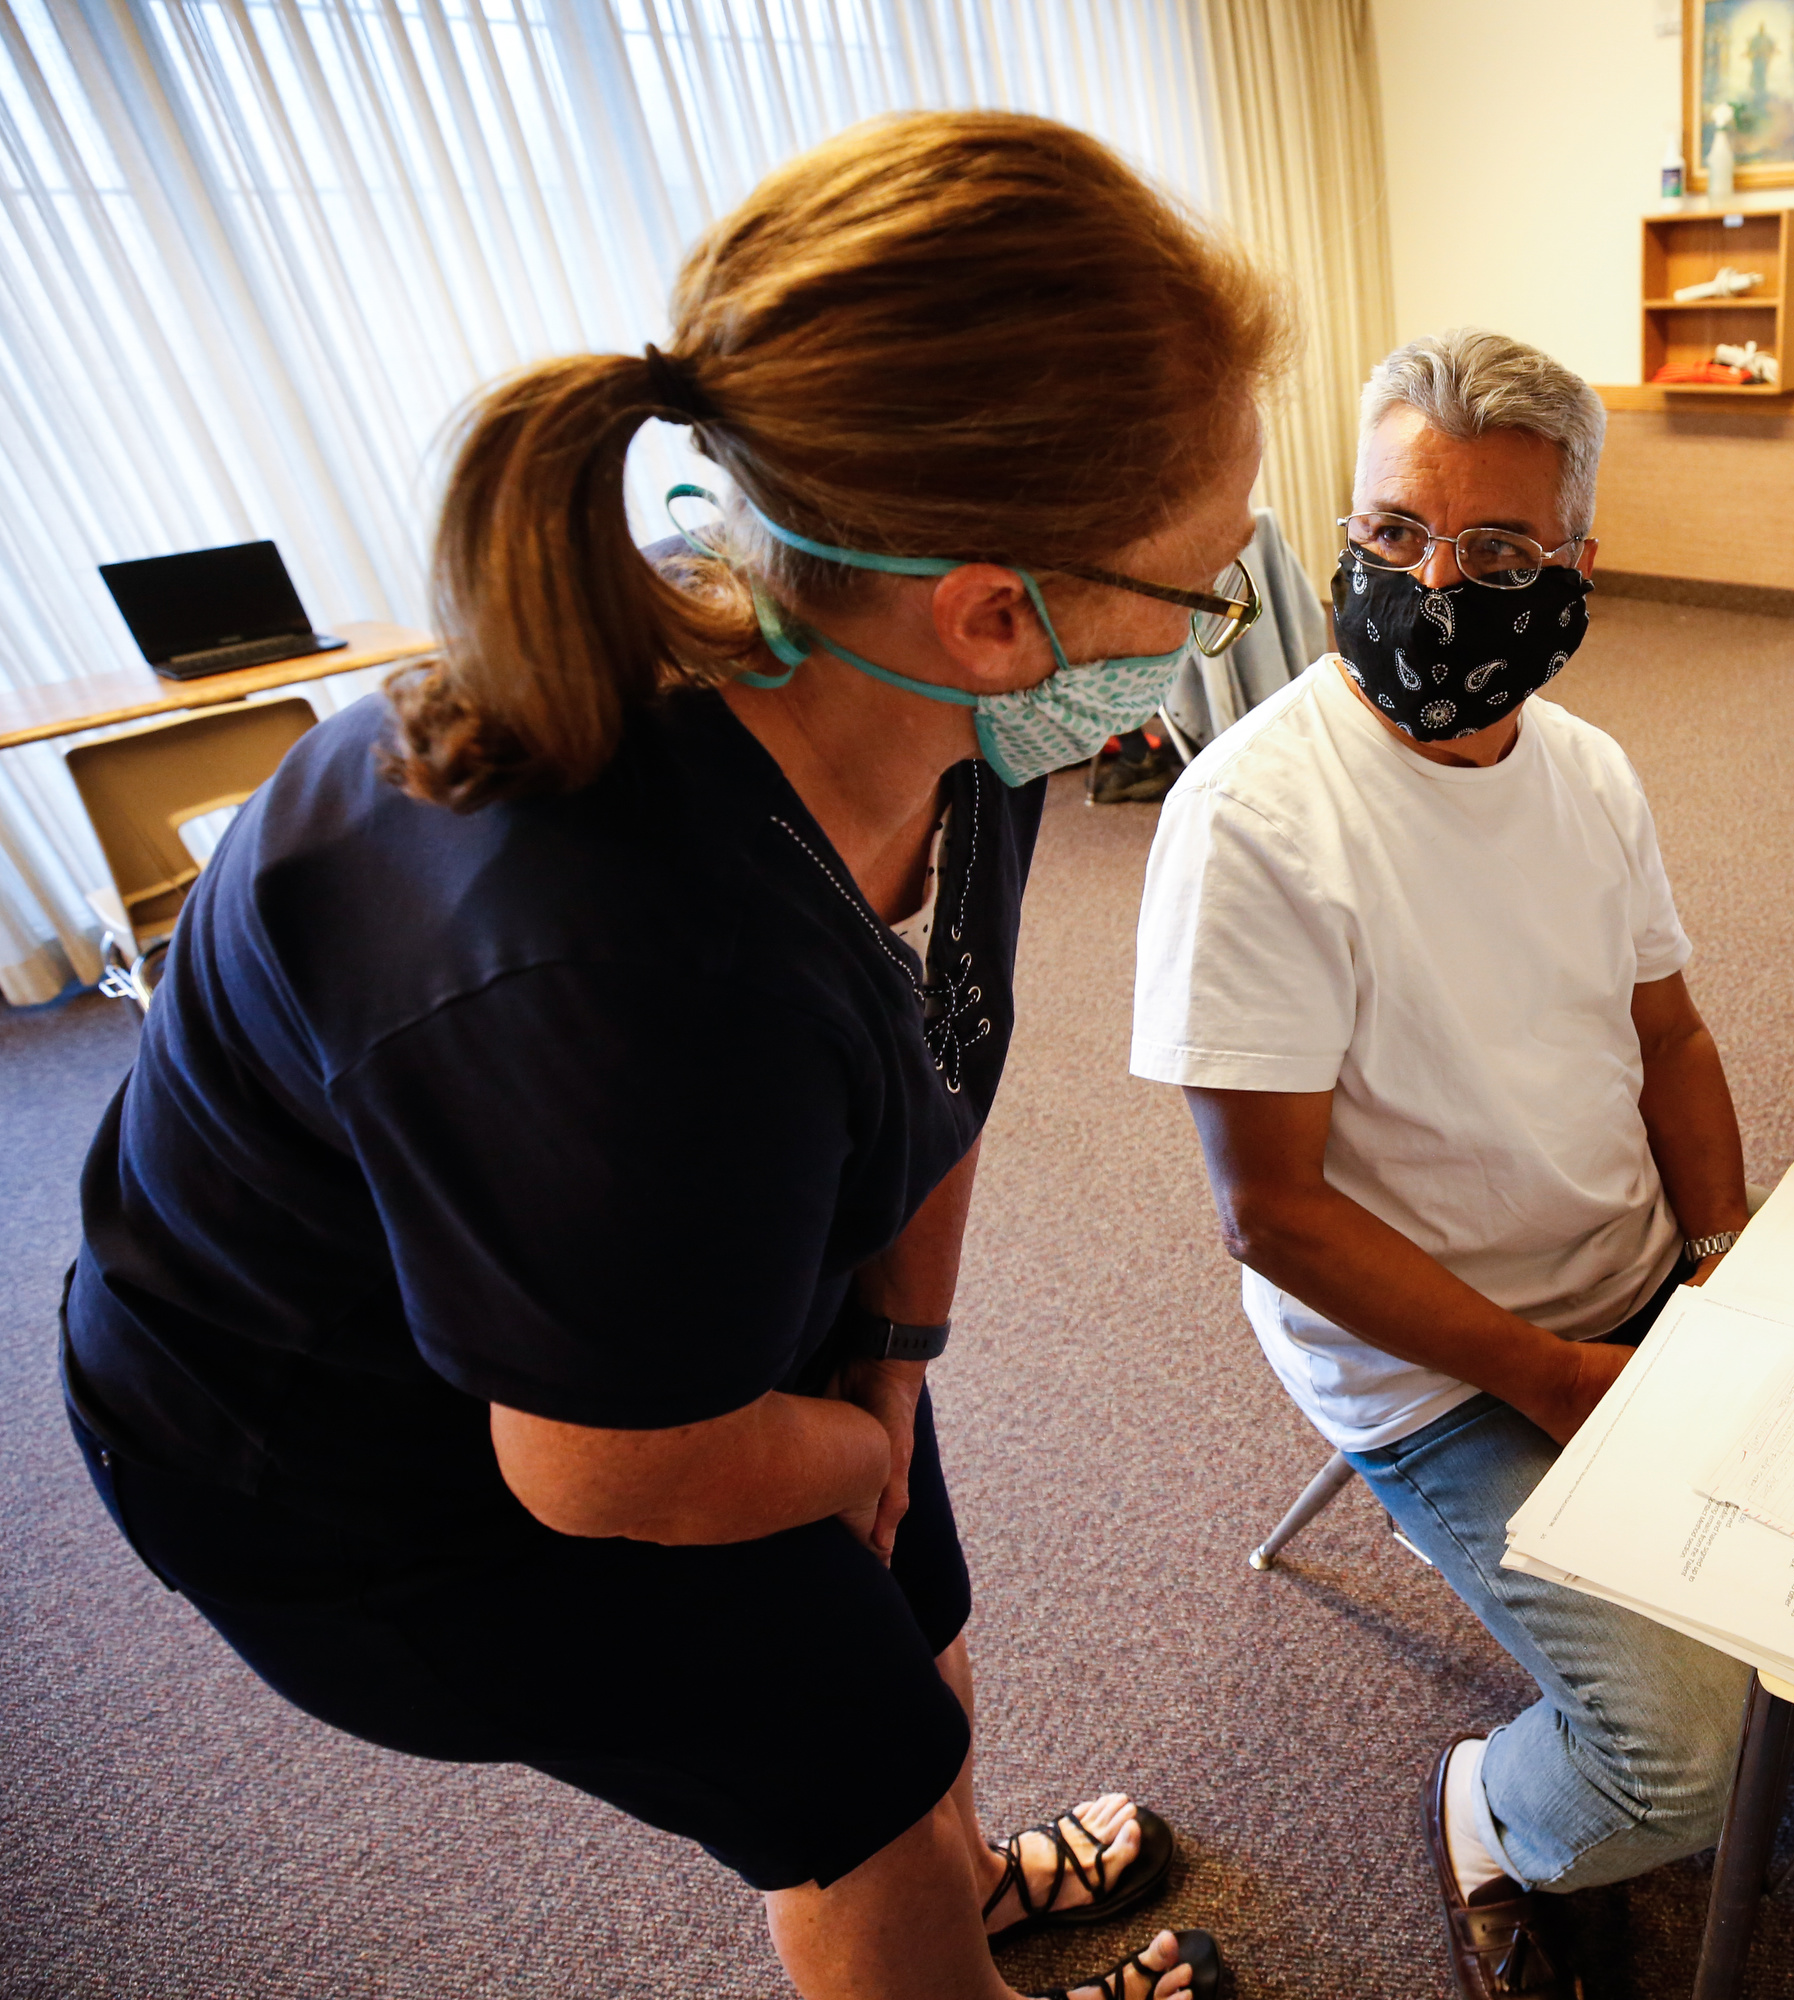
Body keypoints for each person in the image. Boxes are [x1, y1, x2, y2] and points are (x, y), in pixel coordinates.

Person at [60, 112, 1282, 2000]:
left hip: (679, 1323)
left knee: (907, 1633)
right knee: (852, 1783)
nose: (1214, 624)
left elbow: (940, 1070)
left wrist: (886, 1371)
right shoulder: (622, 959)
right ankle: (916, 1900)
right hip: (366, 1456)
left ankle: (949, 1880)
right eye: (1210, 581)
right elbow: (602, 1474)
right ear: (995, 606)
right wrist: (834, 1446)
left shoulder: (946, 711)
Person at [1129, 330, 1755, 2000]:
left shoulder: (1589, 771)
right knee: (1681, 1762)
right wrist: (1546, 1374)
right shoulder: (1258, 817)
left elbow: (1673, 1040)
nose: (1433, 581)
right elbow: (1272, 1216)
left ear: (1578, 570)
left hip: (1618, 1279)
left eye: (1496, 553)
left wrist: (1717, 1256)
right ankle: (1487, 1808)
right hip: (1440, 1362)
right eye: (1395, 533)